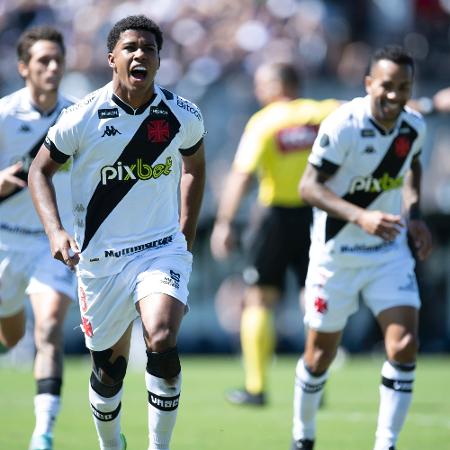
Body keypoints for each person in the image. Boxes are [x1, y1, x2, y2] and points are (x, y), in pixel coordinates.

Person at [28, 15, 206, 450]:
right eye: (130, 48)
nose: (140, 54)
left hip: (159, 250)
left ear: (160, 60)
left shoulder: (181, 114)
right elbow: (39, 171)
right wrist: (55, 233)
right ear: (112, 58)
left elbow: (195, 168)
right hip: (100, 261)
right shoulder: (82, 116)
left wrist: (186, 232)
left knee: (161, 336)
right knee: (109, 374)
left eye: (149, 48)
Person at [291, 45, 432, 450]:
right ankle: (303, 437)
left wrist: (415, 214)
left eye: (403, 88)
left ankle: (385, 444)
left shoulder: (413, 127)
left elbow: (413, 164)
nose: (394, 96)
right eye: (386, 86)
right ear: (369, 83)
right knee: (319, 358)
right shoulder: (344, 125)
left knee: (404, 346)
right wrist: (361, 216)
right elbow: (308, 187)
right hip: (335, 255)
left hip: (388, 254)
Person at [210, 62, 340, 406]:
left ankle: (256, 387)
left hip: (275, 217)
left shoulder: (265, 121)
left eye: (262, 82)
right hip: (318, 214)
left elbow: (241, 174)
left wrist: (224, 221)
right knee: (313, 296)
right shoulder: (323, 112)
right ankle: (316, 383)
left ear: (277, 85)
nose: (257, 90)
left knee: (260, 298)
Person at [0, 26, 76, 450]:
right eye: (43, 60)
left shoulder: (77, 116)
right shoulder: (4, 116)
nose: (52, 67)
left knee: (48, 327)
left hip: (53, 244)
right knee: (10, 337)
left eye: (57, 60)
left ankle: (42, 433)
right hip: (5, 243)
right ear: (23, 67)